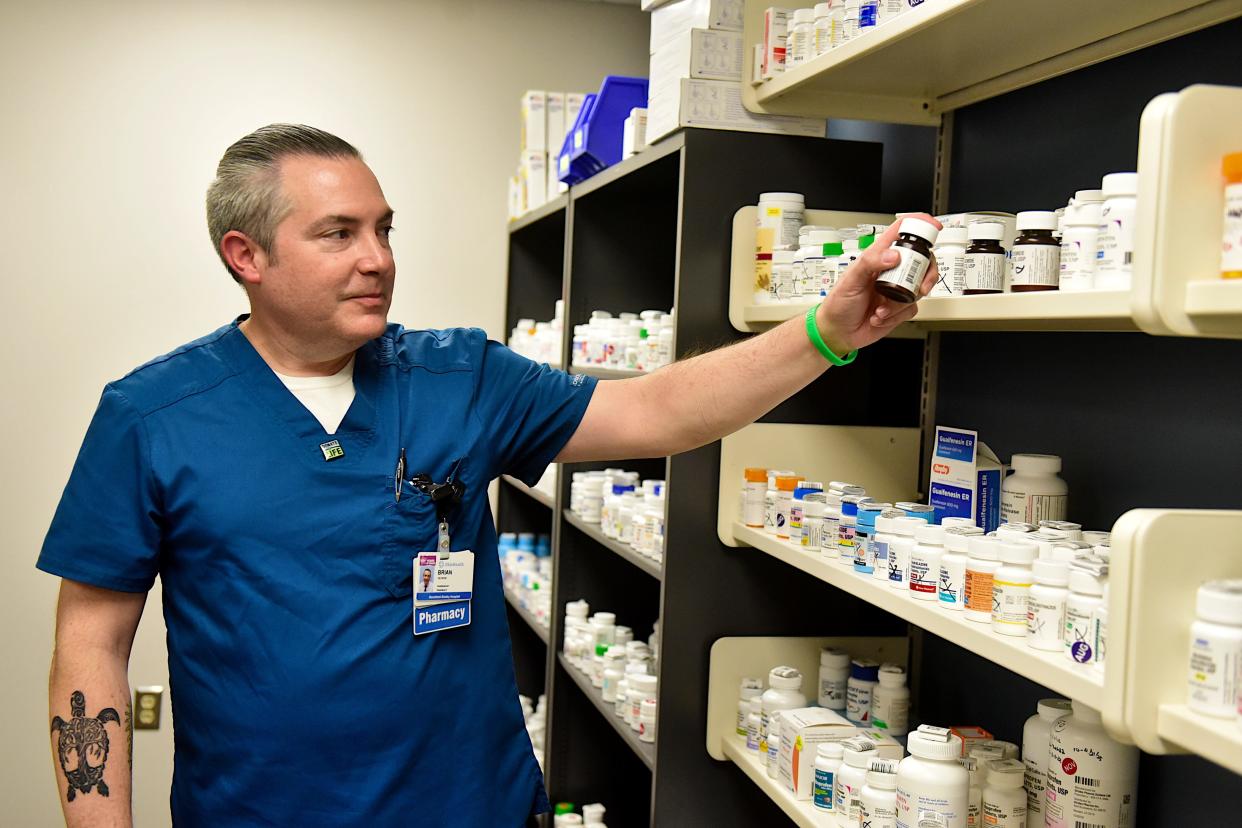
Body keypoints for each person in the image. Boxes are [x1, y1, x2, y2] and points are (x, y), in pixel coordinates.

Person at [39, 124, 937, 827]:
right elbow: (91, 645)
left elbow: (657, 412)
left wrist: (826, 332)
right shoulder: (151, 417)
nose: (378, 258)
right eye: (338, 234)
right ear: (247, 256)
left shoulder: (462, 377)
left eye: (384, 229)